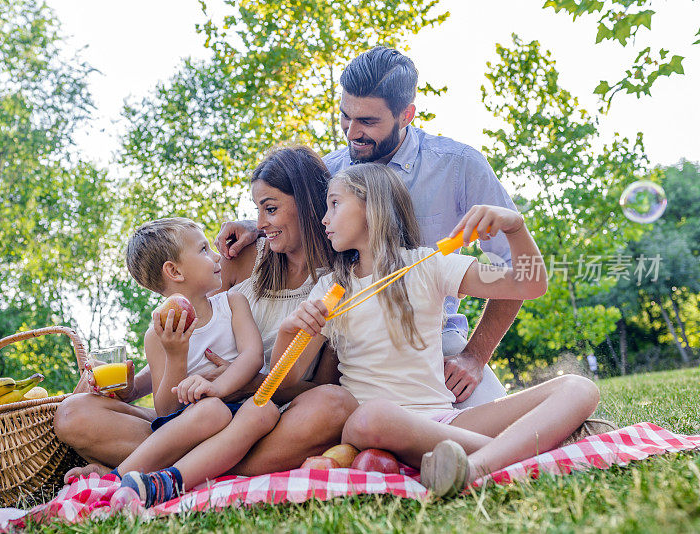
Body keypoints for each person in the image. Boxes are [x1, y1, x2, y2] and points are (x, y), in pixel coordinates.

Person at [216, 46, 519, 408]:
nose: (352, 132)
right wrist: (256, 225)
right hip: (349, 349)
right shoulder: (329, 171)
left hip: (435, 343)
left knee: (511, 433)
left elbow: (514, 264)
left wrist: (474, 357)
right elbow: (292, 217)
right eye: (346, 116)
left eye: (368, 122)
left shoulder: (458, 167)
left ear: (406, 115)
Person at [275, 164, 599, 497]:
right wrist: (290, 331)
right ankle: (521, 453)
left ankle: (471, 468)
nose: (324, 219)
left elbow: (529, 284)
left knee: (578, 387)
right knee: (371, 416)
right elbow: (284, 380)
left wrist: (515, 227)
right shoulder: (331, 289)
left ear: (371, 207)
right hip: (372, 428)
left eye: (334, 204)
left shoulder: (428, 264)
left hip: (443, 424)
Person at [54, 148, 359, 478]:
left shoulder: (339, 285)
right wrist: (132, 387)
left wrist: (242, 382)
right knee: (73, 413)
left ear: (308, 204)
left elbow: (320, 388)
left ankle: (162, 469)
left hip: (267, 419)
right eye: (258, 211)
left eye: (270, 209)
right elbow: (195, 334)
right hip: (194, 418)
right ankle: (191, 466)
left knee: (334, 405)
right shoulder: (242, 256)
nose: (259, 224)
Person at [86, 216, 280, 506]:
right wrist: (176, 356)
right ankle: (119, 479)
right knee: (212, 411)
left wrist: (217, 387)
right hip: (194, 421)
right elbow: (166, 409)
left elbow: (252, 357)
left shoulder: (232, 302)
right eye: (203, 250)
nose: (216, 256)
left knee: (266, 410)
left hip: (238, 407)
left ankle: (162, 481)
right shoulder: (157, 334)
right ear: (174, 271)